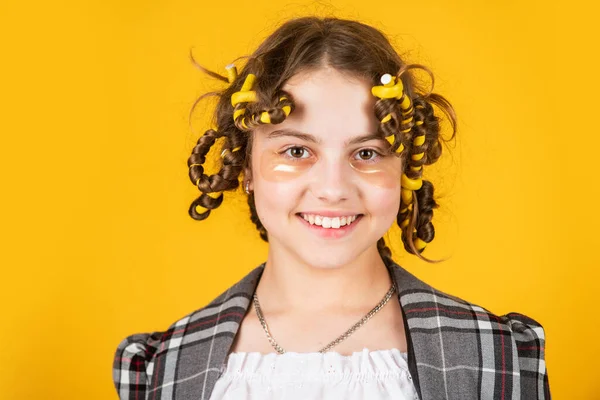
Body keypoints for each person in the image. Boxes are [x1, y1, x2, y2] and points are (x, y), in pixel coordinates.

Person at [112, 16, 550, 400]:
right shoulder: (160, 367)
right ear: (246, 166)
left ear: (404, 170)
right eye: (297, 151)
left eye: (367, 154)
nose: (333, 189)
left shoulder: (499, 355)